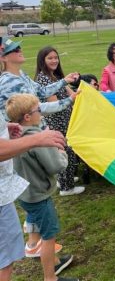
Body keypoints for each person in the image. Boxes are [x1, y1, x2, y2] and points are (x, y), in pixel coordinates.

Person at [0, 38, 80, 258]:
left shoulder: (22, 75)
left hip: (34, 133)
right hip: (27, 137)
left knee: (33, 190)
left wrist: (64, 81)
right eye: (13, 49)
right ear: (4, 57)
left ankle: (34, 242)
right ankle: (43, 248)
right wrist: (69, 101)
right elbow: (37, 107)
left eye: (19, 47)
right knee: (37, 188)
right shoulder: (7, 83)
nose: (19, 50)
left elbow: (41, 92)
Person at [7, 93, 78, 281]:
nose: (41, 113)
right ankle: (50, 277)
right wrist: (62, 150)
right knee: (49, 236)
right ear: (28, 117)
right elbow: (56, 165)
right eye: (37, 110)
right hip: (38, 195)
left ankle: (35, 248)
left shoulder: (14, 136)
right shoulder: (37, 139)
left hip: (25, 193)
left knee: (36, 221)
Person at [35, 46, 85, 197]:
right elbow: (54, 104)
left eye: (56, 57)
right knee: (65, 152)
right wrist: (71, 99)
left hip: (64, 120)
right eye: (50, 58)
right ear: (42, 61)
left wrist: (84, 91)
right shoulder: (43, 78)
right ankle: (66, 187)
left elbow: (72, 93)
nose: (54, 60)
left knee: (64, 151)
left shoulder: (54, 76)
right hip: (57, 122)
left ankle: (63, 179)